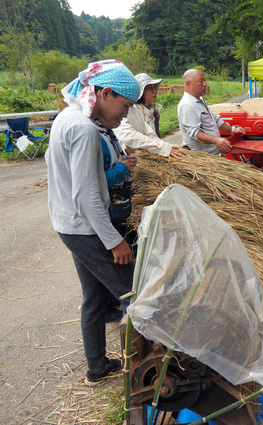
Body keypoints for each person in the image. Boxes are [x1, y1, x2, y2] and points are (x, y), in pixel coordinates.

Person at [46, 59, 140, 386]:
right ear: (106, 93)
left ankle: (97, 368)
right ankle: (147, 371)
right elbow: (86, 196)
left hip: (69, 225)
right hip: (85, 229)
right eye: (125, 106)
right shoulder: (85, 128)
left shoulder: (67, 117)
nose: (125, 114)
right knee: (134, 295)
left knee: (95, 298)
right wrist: (115, 242)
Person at [114, 73, 184, 160]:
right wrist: (161, 147)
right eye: (150, 88)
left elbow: (150, 134)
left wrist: (167, 147)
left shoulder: (150, 112)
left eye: (155, 87)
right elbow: (129, 135)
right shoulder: (128, 110)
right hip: (128, 160)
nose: (155, 91)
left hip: (145, 159)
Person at [177, 69, 245, 154]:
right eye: (201, 81)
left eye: (205, 81)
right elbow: (194, 133)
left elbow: (215, 120)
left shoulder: (200, 100)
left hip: (213, 153)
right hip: (202, 157)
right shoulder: (187, 105)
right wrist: (216, 140)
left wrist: (233, 130)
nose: (205, 84)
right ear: (188, 84)